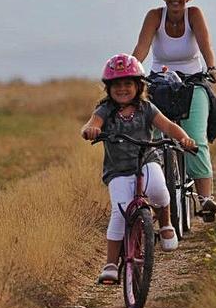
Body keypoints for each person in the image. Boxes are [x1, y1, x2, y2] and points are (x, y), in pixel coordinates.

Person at [81, 54, 197, 284]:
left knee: (159, 189)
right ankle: (111, 264)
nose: (122, 89)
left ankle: (165, 224)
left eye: (128, 84)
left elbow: (168, 126)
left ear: (138, 85)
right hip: (118, 171)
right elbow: (91, 124)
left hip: (147, 160)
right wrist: (90, 131)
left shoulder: (146, 108)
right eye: (117, 85)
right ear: (109, 88)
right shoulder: (105, 110)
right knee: (119, 213)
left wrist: (184, 139)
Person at [131, 0, 216, 220]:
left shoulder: (193, 15)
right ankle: (150, 195)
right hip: (159, 82)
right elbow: (141, 49)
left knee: (195, 137)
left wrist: (213, 68)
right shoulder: (154, 17)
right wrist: (130, 71)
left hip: (192, 82)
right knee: (150, 140)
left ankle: (205, 198)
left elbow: (206, 46)